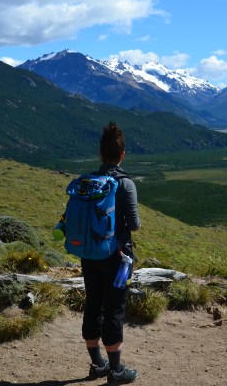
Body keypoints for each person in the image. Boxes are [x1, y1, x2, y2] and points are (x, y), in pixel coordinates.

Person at [82, 122, 141, 384]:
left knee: (93, 304)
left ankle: (98, 365)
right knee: (114, 309)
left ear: (101, 154)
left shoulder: (88, 182)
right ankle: (116, 371)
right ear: (122, 155)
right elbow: (135, 224)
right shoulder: (125, 184)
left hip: (89, 253)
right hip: (116, 256)